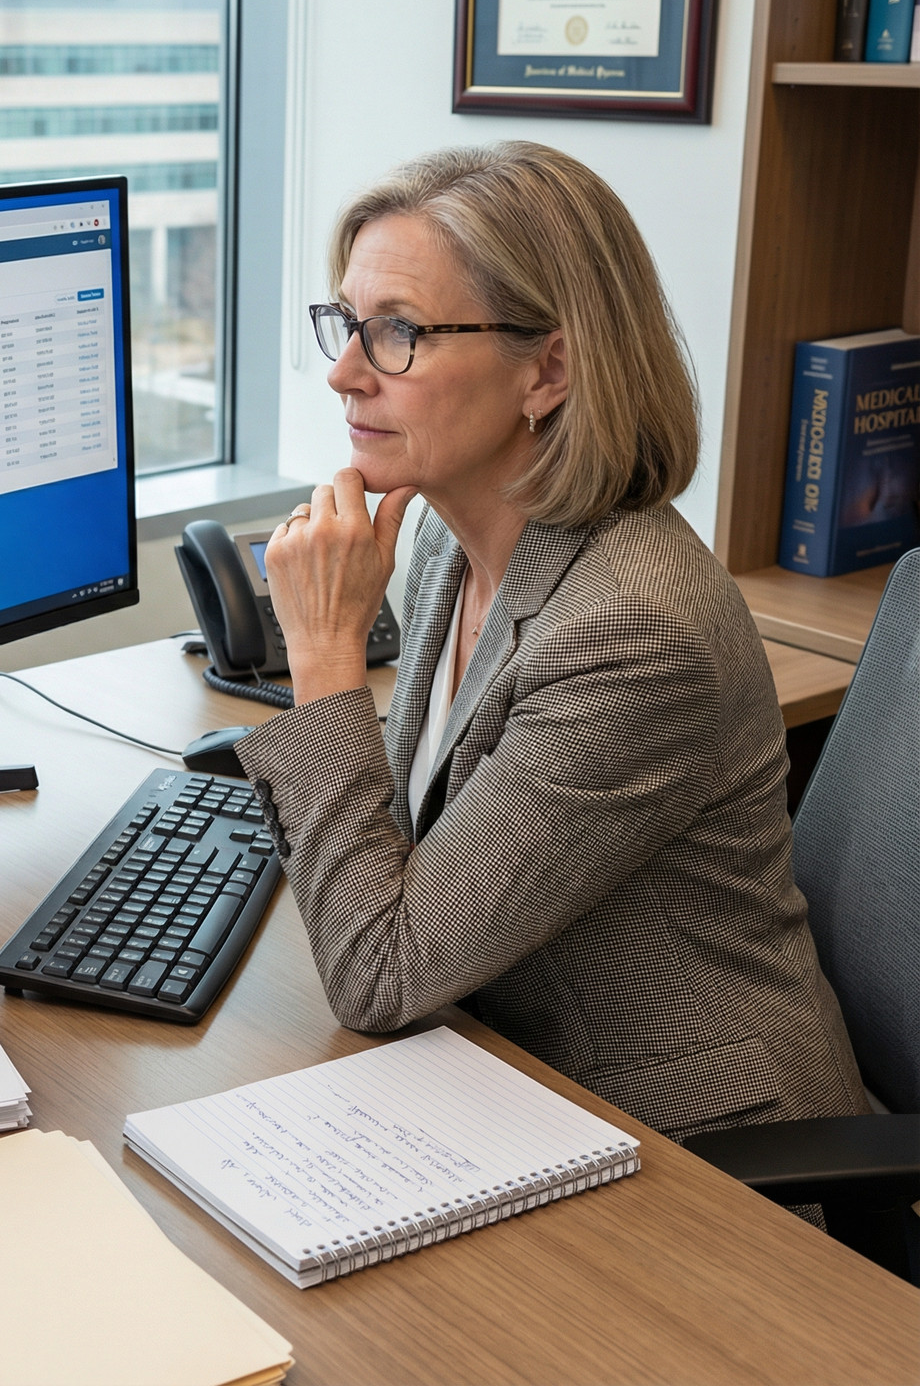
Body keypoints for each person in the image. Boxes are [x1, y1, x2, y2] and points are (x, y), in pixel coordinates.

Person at [235, 142, 867, 1143]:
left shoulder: (635, 632)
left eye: (397, 332)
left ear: (549, 368)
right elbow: (409, 860)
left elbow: (380, 973)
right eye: (346, 324)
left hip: (703, 1154)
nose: (344, 374)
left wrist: (324, 653)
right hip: (514, 1077)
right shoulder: (450, 530)